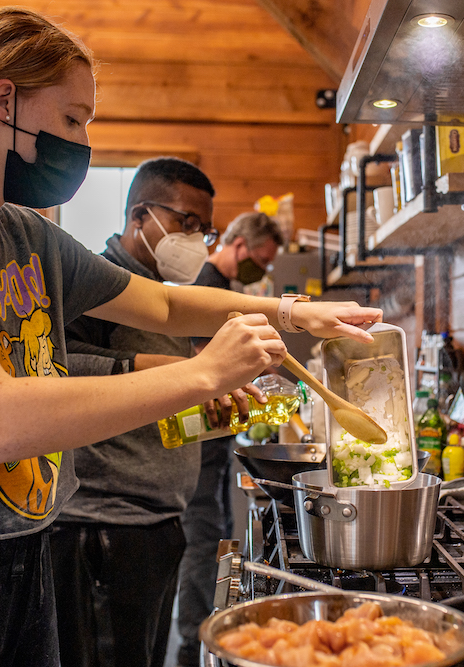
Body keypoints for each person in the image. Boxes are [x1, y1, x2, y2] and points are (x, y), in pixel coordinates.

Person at [0, 7, 381, 666]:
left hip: (21, 544)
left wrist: (295, 313)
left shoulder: (24, 234)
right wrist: (203, 374)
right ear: (3, 99)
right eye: (72, 119)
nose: (81, 143)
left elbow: (164, 302)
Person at [50, 156, 223, 667]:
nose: (195, 239)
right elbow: (52, 369)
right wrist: (153, 365)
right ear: (140, 216)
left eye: (205, 230)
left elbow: (154, 400)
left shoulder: (159, 297)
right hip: (101, 527)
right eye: (185, 222)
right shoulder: (96, 283)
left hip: (155, 522)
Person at [175, 211, 283, 667]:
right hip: (196, 436)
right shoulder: (206, 284)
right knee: (204, 538)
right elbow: (203, 365)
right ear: (239, 245)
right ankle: (197, 642)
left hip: (214, 438)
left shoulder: (228, 289)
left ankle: (207, 632)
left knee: (216, 533)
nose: (261, 268)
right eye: (259, 259)